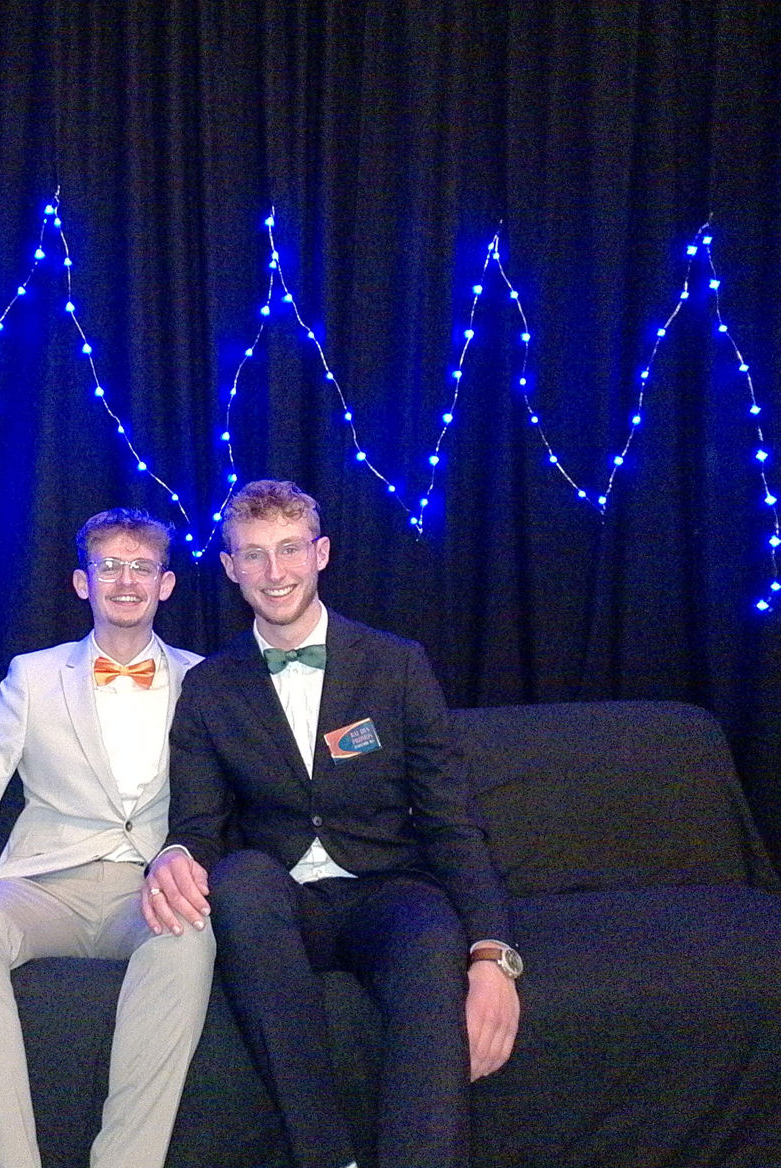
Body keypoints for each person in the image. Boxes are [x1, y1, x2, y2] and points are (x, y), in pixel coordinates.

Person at [145, 479, 521, 1168]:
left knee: (430, 934)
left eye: (290, 548)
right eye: (254, 554)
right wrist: (172, 853)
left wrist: (493, 955)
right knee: (240, 878)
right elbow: (198, 825)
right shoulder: (208, 688)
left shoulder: (396, 665)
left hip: (388, 891)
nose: (275, 572)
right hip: (281, 904)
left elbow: (451, 821)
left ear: (321, 553)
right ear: (230, 568)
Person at [0, 508, 214, 1168]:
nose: (126, 581)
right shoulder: (33, 676)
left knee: (189, 939)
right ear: (82, 582)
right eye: (109, 566)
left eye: (142, 567)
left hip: (147, 887)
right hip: (44, 883)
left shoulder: (205, 679)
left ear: (166, 584)